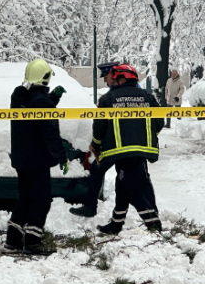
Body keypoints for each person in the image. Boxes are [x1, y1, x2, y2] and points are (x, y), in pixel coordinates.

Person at [6, 59, 69, 255]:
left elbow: (38, 111)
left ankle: (13, 240)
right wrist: (62, 157)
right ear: (45, 77)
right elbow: (49, 131)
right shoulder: (40, 102)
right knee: (41, 200)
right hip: (37, 160)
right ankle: (33, 241)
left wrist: (53, 99)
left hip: (22, 159)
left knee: (25, 198)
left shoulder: (20, 98)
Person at [92, 64, 164, 235]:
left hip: (120, 150)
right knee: (124, 183)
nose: (112, 83)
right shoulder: (147, 97)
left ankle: (152, 222)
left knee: (131, 187)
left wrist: (96, 144)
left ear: (122, 79)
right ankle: (116, 223)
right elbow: (159, 123)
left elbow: (99, 126)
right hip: (141, 151)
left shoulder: (108, 99)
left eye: (115, 79)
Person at [69, 61, 119, 218]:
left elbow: (100, 123)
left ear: (114, 74)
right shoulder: (126, 92)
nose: (105, 81)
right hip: (116, 143)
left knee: (130, 178)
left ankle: (92, 207)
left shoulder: (112, 96)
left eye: (106, 77)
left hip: (117, 144)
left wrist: (96, 143)